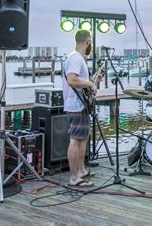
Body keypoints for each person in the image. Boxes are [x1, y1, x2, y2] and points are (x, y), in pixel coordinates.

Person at [62, 29, 96, 187]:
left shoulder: (77, 58)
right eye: (91, 43)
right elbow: (72, 80)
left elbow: (79, 82)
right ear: (87, 42)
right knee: (75, 140)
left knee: (83, 138)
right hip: (75, 105)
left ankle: (81, 170)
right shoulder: (76, 58)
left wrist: (93, 81)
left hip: (80, 104)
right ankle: (74, 177)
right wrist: (89, 83)